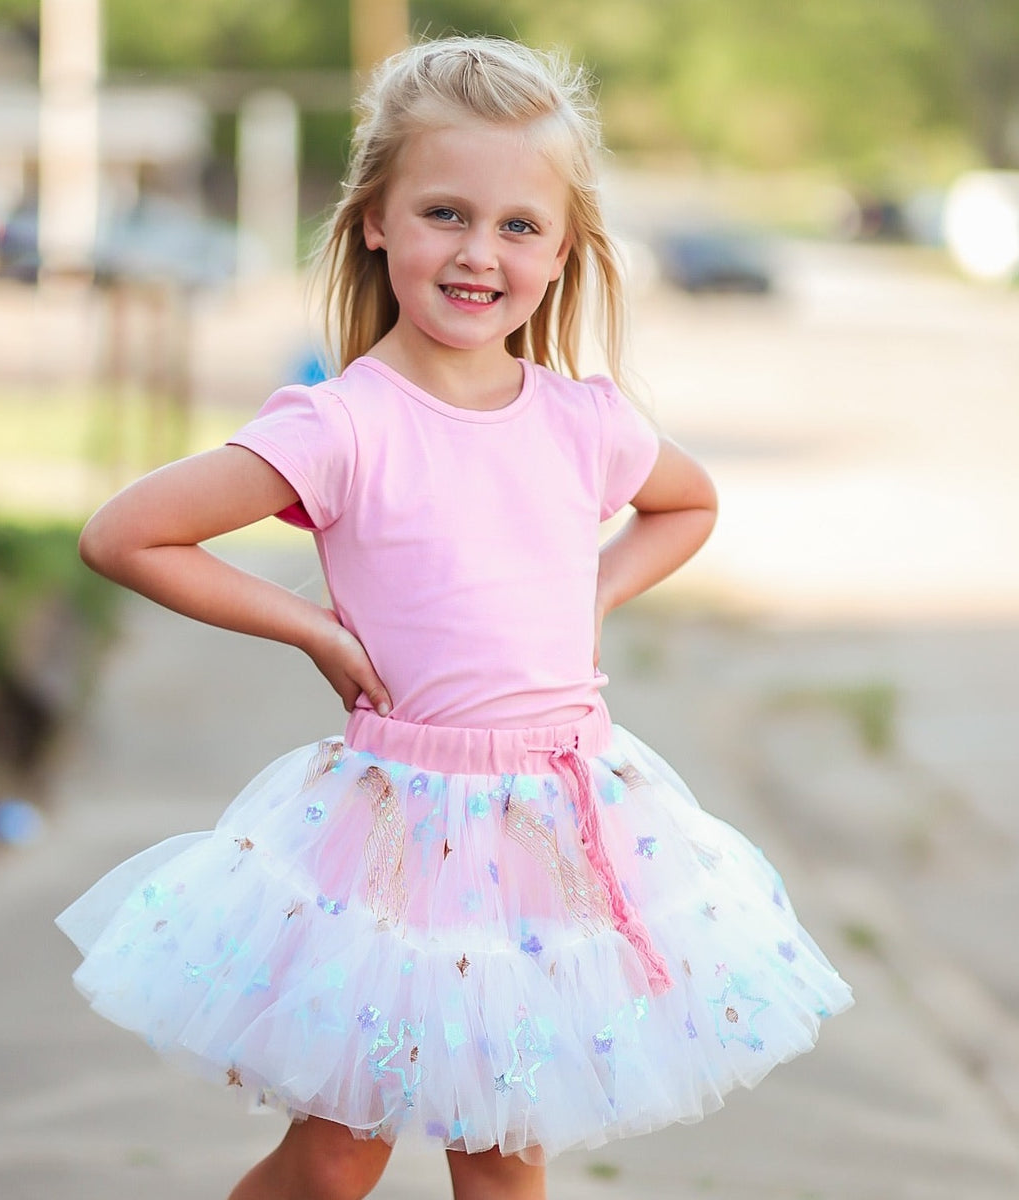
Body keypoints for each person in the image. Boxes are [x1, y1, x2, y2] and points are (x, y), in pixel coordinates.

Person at [56, 35, 852, 1200]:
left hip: (552, 834)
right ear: (375, 219)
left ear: (564, 248)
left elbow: (688, 505)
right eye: (444, 213)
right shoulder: (345, 425)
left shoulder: (583, 421)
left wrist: (591, 594)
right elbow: (126, 533)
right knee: (336, 1158)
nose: (480, 254)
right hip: (393, 839)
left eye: (520, 226)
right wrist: (315, 630)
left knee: (500, 1153)